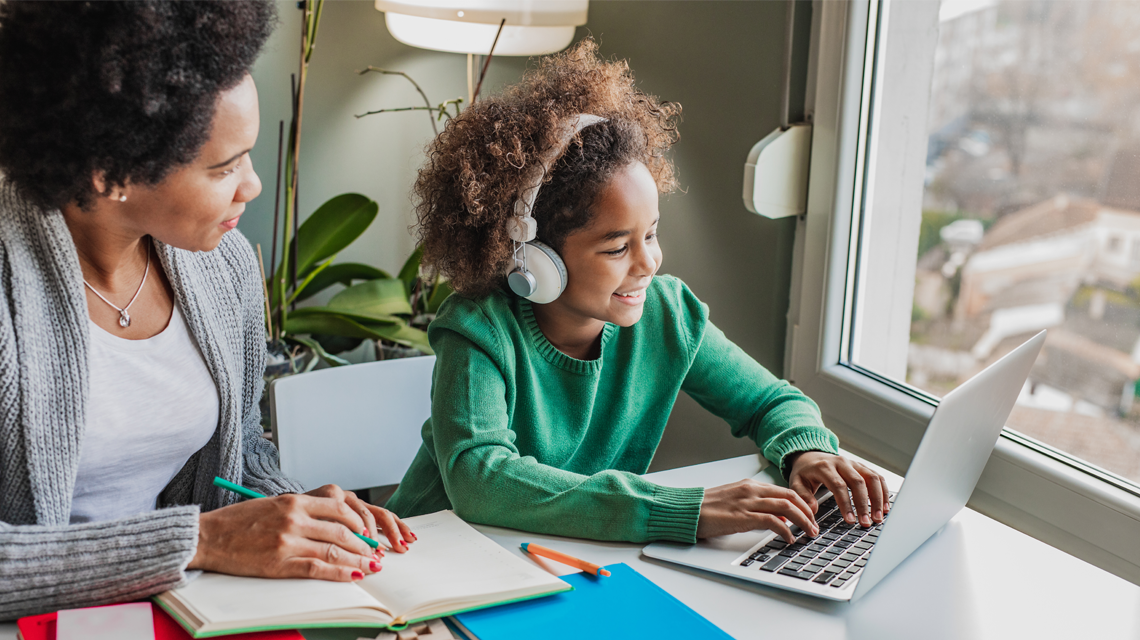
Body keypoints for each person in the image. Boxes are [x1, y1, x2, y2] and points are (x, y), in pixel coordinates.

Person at [0, 0, 412, 620]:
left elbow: (238, 449)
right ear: (110, 171)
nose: (253, 186)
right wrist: (201, 541)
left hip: (189, 608)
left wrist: (295, 512)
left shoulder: (224, 268)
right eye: (224, 167)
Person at [387, 40, 891, 546]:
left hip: (556, 553)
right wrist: (680, 509)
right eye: (616, 248)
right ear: (534, 258)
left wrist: (806, 450)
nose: (649, 262)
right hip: (434, 556)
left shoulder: (667, 314)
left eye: (650, 234)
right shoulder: (479, 331)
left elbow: (769, 401)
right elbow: (480, 479)